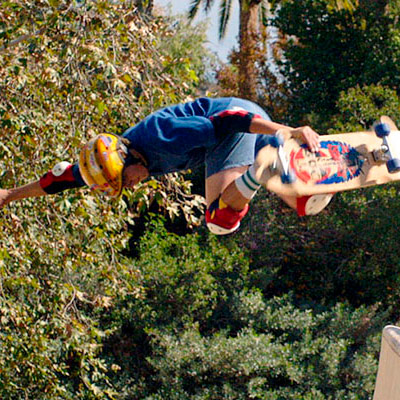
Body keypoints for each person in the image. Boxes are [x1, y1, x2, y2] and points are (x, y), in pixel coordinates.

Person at [0, 97, 332, 235]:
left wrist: (287, 130)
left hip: (241, 123)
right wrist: (9, 195)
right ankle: (298, 177)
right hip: (238, 130)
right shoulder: (109, 161)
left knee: (219, 218)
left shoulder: (163, 136)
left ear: (129, 157)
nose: (131, 185)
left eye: (126, 179)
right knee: (302, 203)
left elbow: (230, 120)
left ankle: (264, 167)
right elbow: (60, 179)